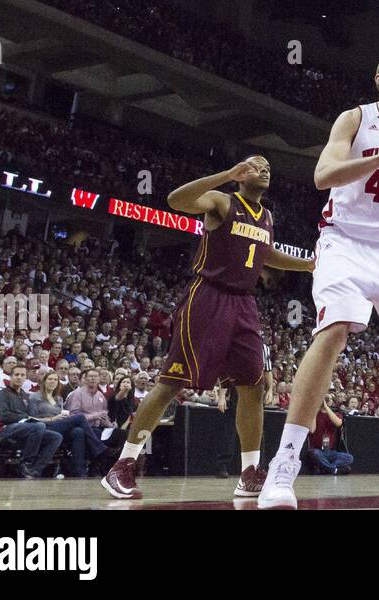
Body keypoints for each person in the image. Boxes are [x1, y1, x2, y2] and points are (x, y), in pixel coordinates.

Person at [260, 52, 379, 511]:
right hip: (345, 241)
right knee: (335, 329)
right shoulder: (355, 118)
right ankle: (283, 465)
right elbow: (323, 175)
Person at [101, 156, 314, 500]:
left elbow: (266, 254)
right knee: (172, 382)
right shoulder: (223, 200)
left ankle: (249, 473)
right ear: (242, 175)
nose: (265, 170)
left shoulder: (268, 217)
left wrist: (307, 265)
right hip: (208, 296)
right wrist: (227, 174)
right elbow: (175, 201)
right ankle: (122, 466)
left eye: (269, 168)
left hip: (244, 303)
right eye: (257, 165)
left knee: (253, 385)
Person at [0, 363, 63, 478]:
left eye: (22, 375)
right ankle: (26, 463)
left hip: (25, 429)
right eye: (16, 374)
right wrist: (24, 417)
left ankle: (35, 469)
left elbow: (30, 415)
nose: (19, 377)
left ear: (25, 378)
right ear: (10, 377)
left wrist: (29, 418)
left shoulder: (25, 396)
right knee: (39, 426)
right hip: (4, 429)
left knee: (56, 436)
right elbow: (3, 416)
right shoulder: (1, 394)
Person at [28, 368, 105, 477]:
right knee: (80, 418)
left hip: (59, 426)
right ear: (44, 381)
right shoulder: (35, 397)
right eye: (50, 379)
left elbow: (62, 415)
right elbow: (32, 418)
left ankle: (79, 471)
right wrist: (53, 419)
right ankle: (98, 447)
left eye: (55, 379)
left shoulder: (58, 398)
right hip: (42, 426)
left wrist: (62, 417)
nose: (53, 381)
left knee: (78, 431)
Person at [308, 395, 354, 474]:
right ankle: (333, 470)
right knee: (314, 454)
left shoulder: (336, 414)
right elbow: (312, 430)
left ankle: (326, 468)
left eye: (327, 399)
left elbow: (338, 423)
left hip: (330, 451)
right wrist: (315, 410)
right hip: (317, 450)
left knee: (349, 458)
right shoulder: (314, 414)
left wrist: (326, 407)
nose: (325, 401)